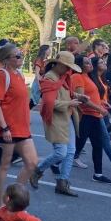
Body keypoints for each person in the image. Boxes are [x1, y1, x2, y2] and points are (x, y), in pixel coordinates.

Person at [0, 43, 39, 207]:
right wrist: (4, 127)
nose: (21, 58)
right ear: (6, 60)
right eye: (17, 56)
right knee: (4, 165)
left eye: (21, 55)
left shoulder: (19, 75)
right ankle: (0, 203)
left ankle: (14, 198)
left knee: (32, 163)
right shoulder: (2, 75)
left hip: (22, 128)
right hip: (6, 129)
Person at [30, 51, 83, 197]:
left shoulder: (64, 77)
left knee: (70, 152)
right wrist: (69, 103)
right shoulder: (49, 78)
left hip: (67, 117)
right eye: (66, 66)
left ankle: (62, 182)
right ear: (58, 64)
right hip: (55, 119)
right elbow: (48, 102)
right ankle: (38, 170)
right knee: (61, 153)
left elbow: (66, 93)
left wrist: (78, 96)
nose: (68, 70)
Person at [73, 56, 111, 184]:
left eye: (89, 62)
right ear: (80, 66)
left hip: (95, 115)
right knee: (77, 144)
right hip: (87, 115)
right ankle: (55, 163)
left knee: (97, 145)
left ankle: (98, 174)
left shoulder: (88, 76)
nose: (90, 64)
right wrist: (99, 108)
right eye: (86, 62)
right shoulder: (78, 77)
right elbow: (83, 99)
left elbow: (93, 96)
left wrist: (102, 103)